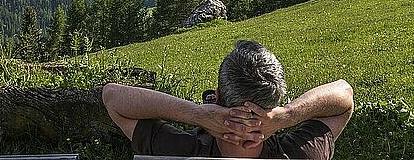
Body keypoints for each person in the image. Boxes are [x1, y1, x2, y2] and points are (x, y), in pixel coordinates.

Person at [102, 40, 354, 159]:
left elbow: (112, 96)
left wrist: (198, 114)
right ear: (273, 104)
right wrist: (286, 116)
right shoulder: (300, 154)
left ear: (217, 97)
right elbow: (344, 95)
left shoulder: (177, 150)